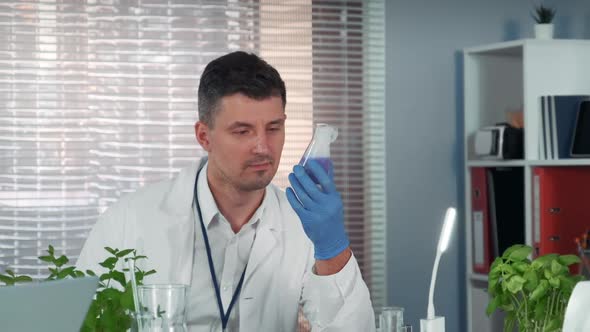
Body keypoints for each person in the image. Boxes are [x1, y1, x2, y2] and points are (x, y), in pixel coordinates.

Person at [76, 51, 375, 331]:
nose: (262, 147)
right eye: (242, 131)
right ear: (204, 136)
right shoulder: (129, 220)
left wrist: (333, 249)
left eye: (273, 128)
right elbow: (81, 322)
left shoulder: (306, 226)